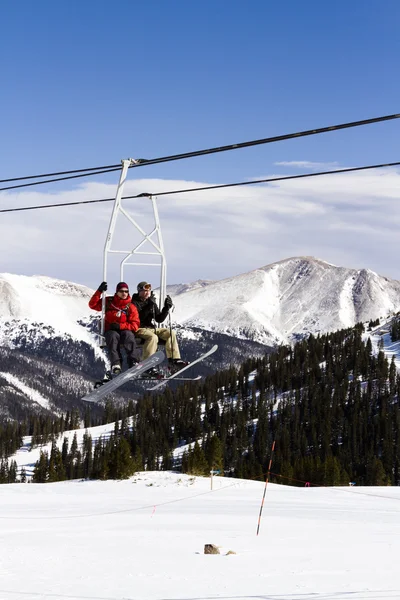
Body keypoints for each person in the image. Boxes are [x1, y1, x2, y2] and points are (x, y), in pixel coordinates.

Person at [131, 281, 188, 370]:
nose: (147, 293)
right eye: (145, 290)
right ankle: (147, 364)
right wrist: (150, 305)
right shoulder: (133, 303)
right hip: (139, 328)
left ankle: (174, 360)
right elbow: (139, 318)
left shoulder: (150, 302)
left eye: (149, 290)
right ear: (139, 291)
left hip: (151, 328)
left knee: (170, 333)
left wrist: (166, 308)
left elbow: (159, 319)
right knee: (153, 337)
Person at [88, 281, 140, 374]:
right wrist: (99, 292)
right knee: (112, 337)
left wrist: (120, 326)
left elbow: (135, 325)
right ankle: (116, 363)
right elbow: (93, 305)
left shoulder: (130, 307)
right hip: (111, 330)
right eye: (121, 291)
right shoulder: (108, 302)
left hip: (124, 329)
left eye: (126, 291)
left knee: (129, 336)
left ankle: (133, 361)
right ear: (117, 292)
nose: (124, 293)